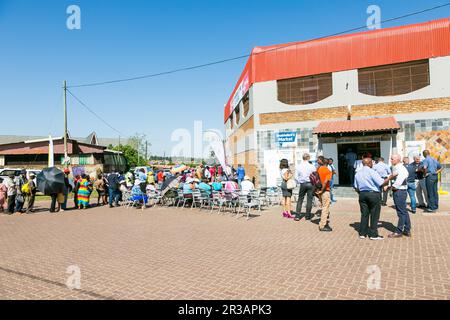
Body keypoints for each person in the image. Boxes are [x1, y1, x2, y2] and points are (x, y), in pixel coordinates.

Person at [354, 158, 390, 240]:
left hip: (362, 194)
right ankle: (373, 234)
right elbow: (381, 182)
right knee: (374, 214)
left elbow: (356, 187)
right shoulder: (372, 172)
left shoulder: (357, 173)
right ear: (370, 163)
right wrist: (389, 178)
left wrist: (361, 193)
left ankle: (362, 233)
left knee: (364, 214)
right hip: (373, 194)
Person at [388, 154, 411, 238]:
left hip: (399, 191)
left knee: (401, 212)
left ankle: (399, 231)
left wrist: (390, 187)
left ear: (397, 159)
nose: (391, 160)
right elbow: (393, 176)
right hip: (400, 191)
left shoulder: (401, 168)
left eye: (392, 159)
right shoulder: (398, 167)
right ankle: (407, 229)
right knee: (403, 211)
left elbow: (398, 181)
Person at [295, 153, 316, 221]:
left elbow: (296, 177)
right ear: (308, 158)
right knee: (309, 200)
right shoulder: (311, 166)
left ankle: (297, 216)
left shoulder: (298, 166)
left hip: (303, 184)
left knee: (300, 199)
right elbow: (315, 175)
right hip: (310, 184)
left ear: (302, 158)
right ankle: (307, 215)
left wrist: (299, 181)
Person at [316, 156, 333, 232]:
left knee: (323, 206)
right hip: (325, 191)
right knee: (325, 208)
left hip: (318, 190)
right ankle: (322, 225)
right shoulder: (328, 171)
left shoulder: (318, 169)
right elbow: (325, 182)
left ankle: (324, 221)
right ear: (328, 163)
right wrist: (322, 191)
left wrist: (319, 191)